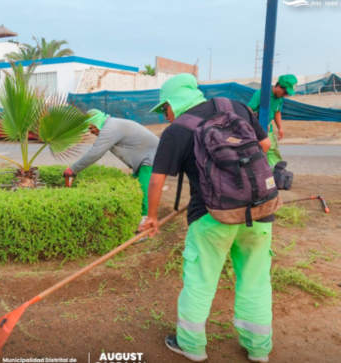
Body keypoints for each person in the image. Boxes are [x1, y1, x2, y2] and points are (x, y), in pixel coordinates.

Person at [140, 74, 274, 363]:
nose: (165, 114)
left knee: (201, 281)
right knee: (256, 280)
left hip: (212, 216)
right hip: (261, 210)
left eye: (164, 107)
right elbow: (264, 146)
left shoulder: (177, 130)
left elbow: (157, 178)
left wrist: (151, 217)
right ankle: (259, 349)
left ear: (173, 102)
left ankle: (191, 345)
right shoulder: (236, 107)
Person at [63, 109, 159, 220]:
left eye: (91, 128)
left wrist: (73, 169)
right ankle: (138, 220)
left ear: (97, 122)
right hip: (144, 159)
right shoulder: (112, 125)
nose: (91, 132)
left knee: (143, 192)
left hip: (151, 159)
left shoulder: (109, 128)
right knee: (136, 189)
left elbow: (95, 153)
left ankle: (145, 226)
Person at [247, 74, 298, 167]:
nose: (285, 95)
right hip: (256, 129)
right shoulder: (262, 94)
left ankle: (276, 172)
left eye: (287, 94)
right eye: (285, 92)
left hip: (268, 128)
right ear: (278, 86)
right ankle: (261, 171)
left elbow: (277, 112)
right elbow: (249, 109)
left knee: (273, 149)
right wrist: (258, 124)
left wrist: (280, 128)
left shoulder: (280, 98)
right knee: (260, 151)